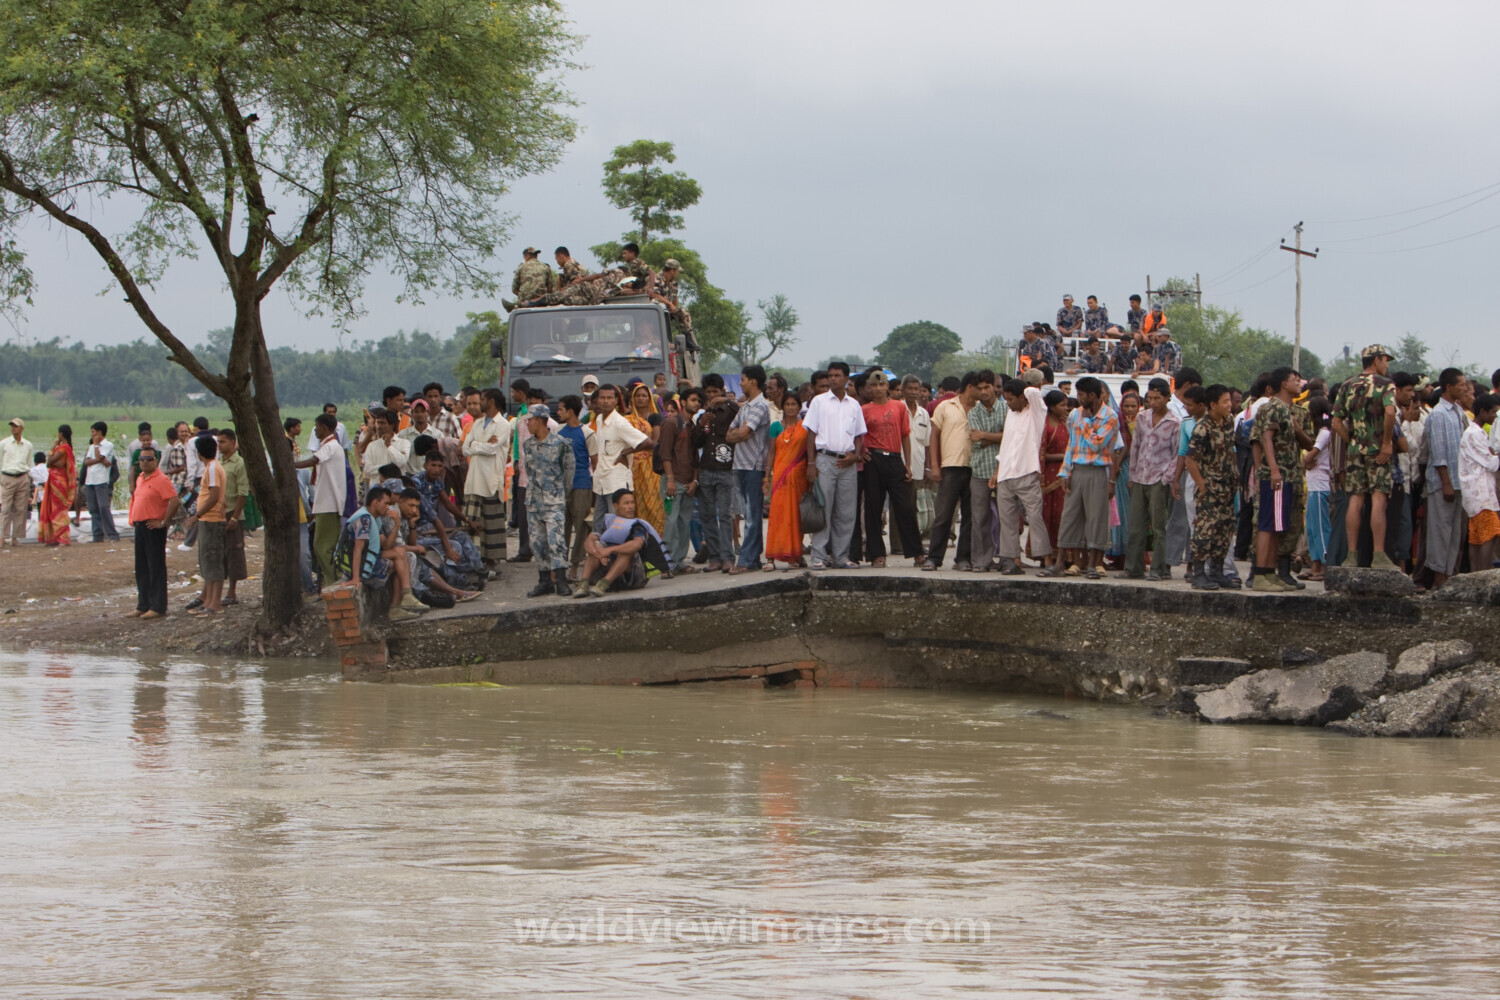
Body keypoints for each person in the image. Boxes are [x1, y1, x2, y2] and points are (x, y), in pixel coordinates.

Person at [1331, 344, 1399, 569]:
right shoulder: (1386, 384)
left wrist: (1351, 439)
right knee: (1379, 499)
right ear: (1377, 360)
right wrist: (1387, 442)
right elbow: (1390, 412)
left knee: (1355, 499)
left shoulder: (1347, 385)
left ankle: (1351, 554)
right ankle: (1378, 555)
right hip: (1378, 449)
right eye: (1385, 360)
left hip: (1355, 450)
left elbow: (1336, 421)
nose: (1387, 365)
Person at [1250, 367, 1310, 592]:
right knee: (1267, 526)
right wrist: (1274, 470)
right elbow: (1265, 438)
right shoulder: (1274, 407)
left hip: (1287, 475)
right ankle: (1260, 573)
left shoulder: (1288, 410)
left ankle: (1269, 572)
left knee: (1276, 525)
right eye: (1295, 379)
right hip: (1277, 475)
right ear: (1284, 383)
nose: (1299, 383)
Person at [803, 361, 867, 570]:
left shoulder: (854, 405)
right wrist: (811, 464)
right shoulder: (819, 402)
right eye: (831, 375)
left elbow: (858, 435)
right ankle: (819, 557)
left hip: (847, 462)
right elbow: (811, 433)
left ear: (847, 378)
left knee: (846, 512)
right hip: (825, 459)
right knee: (824, 509)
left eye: (838, 375)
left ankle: (841, 556)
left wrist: (856, 456)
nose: (833, 379)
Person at [1057, 377, 1121, 580]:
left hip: (1097, 471)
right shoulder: (1075, 414)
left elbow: (1097, 444)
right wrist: (1065, 471)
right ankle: (1060, 562)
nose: (1078, 399)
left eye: (1081, 395)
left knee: (1096, 518)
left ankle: (1093, 564)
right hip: (1077, 469)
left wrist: (1085, 421)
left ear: (1092, 395)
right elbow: (1071, 445)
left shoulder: (1109, 417)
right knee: (1069, 516)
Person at [859, 368, 922, 567]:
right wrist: (861, 451)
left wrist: (908, 464)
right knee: (873, 508)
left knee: (904, 507)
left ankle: (916, 551)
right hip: (873, 461)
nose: (878, 388)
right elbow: (859, 435)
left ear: (887, 386)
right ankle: (877, 553)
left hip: (895, 459)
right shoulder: (864, 410)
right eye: (874, 385)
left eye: (882, 384)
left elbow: (905, 435)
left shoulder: (899, 407)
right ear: (869, 387)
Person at [991, 377, 1053, 576]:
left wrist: (1024, 384)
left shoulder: (1036, 412)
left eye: (1010, 399)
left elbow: (1034, 393)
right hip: (1006, 473)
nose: (1007, 403)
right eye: (1005, 399)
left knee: (1035, 517)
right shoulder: (1011, 414)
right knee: (1007, 520)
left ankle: (1046, 560)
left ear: (1021, 397)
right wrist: (997, 471)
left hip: (1027, 472)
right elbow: (1005, 444)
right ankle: (1013, 561)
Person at [922, 371, 979, 570]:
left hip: (974, 468)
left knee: (970, 516)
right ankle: (934, 557)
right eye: (979, 388)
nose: (982, 392)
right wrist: (934, 466)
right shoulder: (945, 406)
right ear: (970, 387)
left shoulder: (980, 409)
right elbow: (934, 436)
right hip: (950, 467)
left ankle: (963, 558)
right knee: (944, 515)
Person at [1185, 385, 1240, 590]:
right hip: (1210, 488)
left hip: (1227, 487)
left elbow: (1229, 450)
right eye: (1225, 401)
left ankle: (1217, 572)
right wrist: (1203, 486)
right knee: (1204, 531)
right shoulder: (1202, 428)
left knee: (1224, 530)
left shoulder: (1229, 422)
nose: (1230, 405)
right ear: (1212, 404)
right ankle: (1198, 573)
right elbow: (1190, 460)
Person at [1124, 380, 1180, 580]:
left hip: (1159, 479)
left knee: (1158, 527)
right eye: (1150, 399)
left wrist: (1167, 478)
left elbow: (1176, 454)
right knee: (1135, 527)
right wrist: (1132, 474)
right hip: (1140, 477)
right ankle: (1133, 568)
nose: (1153, 402)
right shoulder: (1142, 418)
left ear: (1167, 398)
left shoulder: (1174, 422)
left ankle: (1157, 569)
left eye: (1158, 398)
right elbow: (1136, 447)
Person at [520, 404, 576, 598]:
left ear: (542, 421)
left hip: (554, 501)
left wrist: (561, 494)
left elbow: (569, 472)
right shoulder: (528, 445)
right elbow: (529, 471)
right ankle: (544, 581)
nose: (528, 424)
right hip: (534, 502)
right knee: (538, 543)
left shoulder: (561, 444)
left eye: (531, 420)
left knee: (556, 541)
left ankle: (561, 580)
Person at [346, 486, 425, 622]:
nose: (388, 507)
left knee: (400, 555)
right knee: (400, 557)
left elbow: (386, 545)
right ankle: (403, 599)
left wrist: (396, 524)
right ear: (375, 502)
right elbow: (357, 549)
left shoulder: (375, 519)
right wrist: (355, 578)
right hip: (363, 568)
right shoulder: (363, 519)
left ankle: (401, 601)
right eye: (386, 503)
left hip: (371, 560)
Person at [1424, 369, 1470, 588]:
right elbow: (1438, 452)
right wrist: (1446, 482)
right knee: (1440, 532)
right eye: (1460, 385)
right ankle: (1439, 577)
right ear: (1449, 387)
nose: (1464, 388)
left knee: (1454, 533)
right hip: (1444, 483)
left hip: (1459, 480)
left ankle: (1450, 573)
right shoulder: (1439, 414)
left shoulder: (1458, 412)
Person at [125, 445, 181, 620]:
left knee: (155, 566)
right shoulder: (141, 477)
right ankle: (143, 604)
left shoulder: (161, 479)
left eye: (148, 459)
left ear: (155, 460)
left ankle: (158, 605)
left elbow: (174, 500)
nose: (144, 462)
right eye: (141, 459)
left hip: (153, 526)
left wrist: (164, 522)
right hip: (140, 525)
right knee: (141, 567)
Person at [293, 413, 348, 586]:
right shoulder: (329, 446)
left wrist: (291, 464)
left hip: (329, 503)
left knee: (323, 547)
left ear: (324, 427)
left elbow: (314, 460)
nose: (315, 430)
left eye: (316, 427)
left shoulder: (330, 446)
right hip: (325, 502)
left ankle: (335, 580)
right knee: (323, 545)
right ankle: (332, 579)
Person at [573, 489, 662, 598]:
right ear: (615, 505)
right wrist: (599, 553)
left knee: (628, 550)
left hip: (634, 577)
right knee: (596, 544)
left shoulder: (638, 525)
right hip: (608, 566)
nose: (631, 507)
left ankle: (603, 584)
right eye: (626, 503)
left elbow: (636, 545)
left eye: (632, 503)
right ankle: (583, 584)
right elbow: (588, 541)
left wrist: (609, 550)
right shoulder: (606, 522)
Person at [461, 387, 512, 571]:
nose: (478, 402)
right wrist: (479, 445)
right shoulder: (477, 423)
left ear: (490, 401)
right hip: (474, 479)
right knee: (473, 522)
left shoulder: (503, 425)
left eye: (481, 399)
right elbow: (464, 448)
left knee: (491, 524)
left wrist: (475, 445)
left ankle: (491, 564)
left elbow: (492, 449)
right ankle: (475, 561)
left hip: (491, 479)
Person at [592, 383, 653, 525]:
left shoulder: (620, 423)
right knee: (599, 526)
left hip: (616, 482)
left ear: (615, 401)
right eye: (602, 398)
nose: (605, 401)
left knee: (617, 526)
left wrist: (626, 452)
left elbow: (648, 442)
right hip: (601, 482)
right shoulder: (599, 419)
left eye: (609, 398)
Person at [963, 371, 1005, 571]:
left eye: (987, 387)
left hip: (1005, 470)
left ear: (994, 387)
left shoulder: (1007, 409)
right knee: (979, 518)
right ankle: (981, 561)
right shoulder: (973, 413)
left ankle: (1007, 559)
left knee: (1007, 517)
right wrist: (999, 436)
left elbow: (1012, 438)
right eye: (979, 388)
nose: (983, 392)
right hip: (979, 470)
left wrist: (987, 437)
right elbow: (975, 439)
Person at [554, 395, 599, 577]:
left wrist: (595, 489)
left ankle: (574, 566)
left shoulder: (587, 433)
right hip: (560, 487)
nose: (558, 413)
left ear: (570, 411)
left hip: (582, 485)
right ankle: (561, 565)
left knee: (581, 527)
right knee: (561, 527)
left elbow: (595, 463)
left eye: (560, 409)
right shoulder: (557, 431)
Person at [656, 386, 700, 571]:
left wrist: (694, 481)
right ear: (683, 402)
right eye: (692, 400)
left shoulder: (692, 426)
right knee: (670, 521)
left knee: (684, 523)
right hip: (671, 483)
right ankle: (667, 562)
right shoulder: (671, 424)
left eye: (698, 401)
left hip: (688, 482)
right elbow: (665, 454)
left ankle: (679, 561)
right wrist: (671, 480)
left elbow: (695, 456)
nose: (696, 404)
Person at [766, 393, 810, 570]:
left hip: (799, 477)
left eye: (794, 404)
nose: (791, 407)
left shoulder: (805, 428)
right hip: (780, 478)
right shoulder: (776, 427)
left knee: (795, 516)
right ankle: (771, 557)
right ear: (782, 407)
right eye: (787, 404)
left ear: (799, 407)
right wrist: (765, 476)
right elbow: (770, 453)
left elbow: (808, 453)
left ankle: (794, 554)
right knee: (778, 515)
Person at [1460, 391, 1500, 573]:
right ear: (1483, 412)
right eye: (1492, 412)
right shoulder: (1474, 434)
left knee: (1476, 537)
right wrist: (1495, 456)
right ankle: (1484, 573)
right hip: (1480, 495)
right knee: (1490, 534)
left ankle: (1475, 575)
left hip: (1478, 494)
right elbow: (1491, 463)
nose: (1494, 416)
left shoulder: (1478, 432)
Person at [212, 428, 250, 605]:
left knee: (234, 552)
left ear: (232, 442)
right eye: (218, 442)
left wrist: (235, 518)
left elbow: (243, 492)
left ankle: (232, 592)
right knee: (219, 553)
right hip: (218, 513)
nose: (219, 445)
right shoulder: (218, 462)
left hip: (232, 512)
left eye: (222, 442)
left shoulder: (239, 463)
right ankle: (218, 591)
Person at [624, 383, 666, 535]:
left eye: (644, 395)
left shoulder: (655, 417)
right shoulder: (626, 419)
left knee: (653, 504)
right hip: (631, 467)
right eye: (637, 395)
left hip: (650, 467)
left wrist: (629, 449)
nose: (641, 398)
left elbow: (655, 443)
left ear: (649, 398)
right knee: (635, 504)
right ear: (632, 398)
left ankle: (657, 539)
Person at [191, 434, 227, 615]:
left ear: (199, 453)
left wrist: (197, 515)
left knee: (213, 560)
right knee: (208, 560)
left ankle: (215, 603)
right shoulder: (212, 467)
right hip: (209, 520)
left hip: (211, 520)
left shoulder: (212, 468)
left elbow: (214, 495)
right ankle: (209, 600)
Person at [1036, 390, 1071, 571]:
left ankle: (1063, 556)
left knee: (1062, 516)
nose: (1066, 408)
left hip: (1064, 477)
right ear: (1051, 407)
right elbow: (1040, 454)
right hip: (1049, 478)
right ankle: (1046, 555)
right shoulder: (1045, 426)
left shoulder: (1066, 424)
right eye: (1062, 405)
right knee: (1047, 516)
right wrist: (1062, 456)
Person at [1302, 396, 1334, 583]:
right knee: (1312, 528)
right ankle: (1315, 564)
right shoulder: (1321, 433)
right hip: (1314, 485)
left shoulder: (1324, 433)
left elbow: (1309, 457)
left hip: (1321, 485)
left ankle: (1324, 565)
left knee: (1321, 528)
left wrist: (1305, 460)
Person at [81, 421, 120, 543]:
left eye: (93, 432)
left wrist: (97, 449)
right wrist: (99, 460)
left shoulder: (107, 445)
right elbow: (87, 462)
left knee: (103, 507)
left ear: (99, 432)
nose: (92, 435)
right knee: (93, 508)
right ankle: (97, 535)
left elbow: (100, 456)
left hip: (101, 480)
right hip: (90, 480)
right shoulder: (91, 446)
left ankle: (112, 534)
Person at [39, 425, 76, 546]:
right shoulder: (67, 448)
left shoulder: (63, 449)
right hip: (56, 481)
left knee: (58, 509)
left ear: (61, 434)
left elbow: (49, 462)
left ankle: (63, 537)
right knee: (53, 508)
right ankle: (54, 537)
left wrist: (51, 448)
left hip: (58, 482)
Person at [1, 417, 32, 546]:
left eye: (16, 426)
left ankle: (16, 537)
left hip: (22, 476)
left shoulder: (28, 445)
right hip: (8, 476)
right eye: (12, 426)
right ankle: (2, 537)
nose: (13, 428)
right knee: (6, 508)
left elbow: (28, 461)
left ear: (21, 429)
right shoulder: (4, 443)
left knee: (20, 508)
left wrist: (26, 476)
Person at [503, 246, 555, 311]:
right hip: (541, 302)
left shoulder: (521, 267)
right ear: (536, 255)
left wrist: (525, 296)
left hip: (524, 302)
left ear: (525, 256)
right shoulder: (545, 267)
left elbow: (514, 289)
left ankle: (519, 304)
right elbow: (550, 289)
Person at [126, 422, 153, 495]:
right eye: (144, 440)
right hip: (137, 476)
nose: (146, 442)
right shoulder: (136, 449)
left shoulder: (132, 444)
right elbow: (133, 466)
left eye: (148, 440)